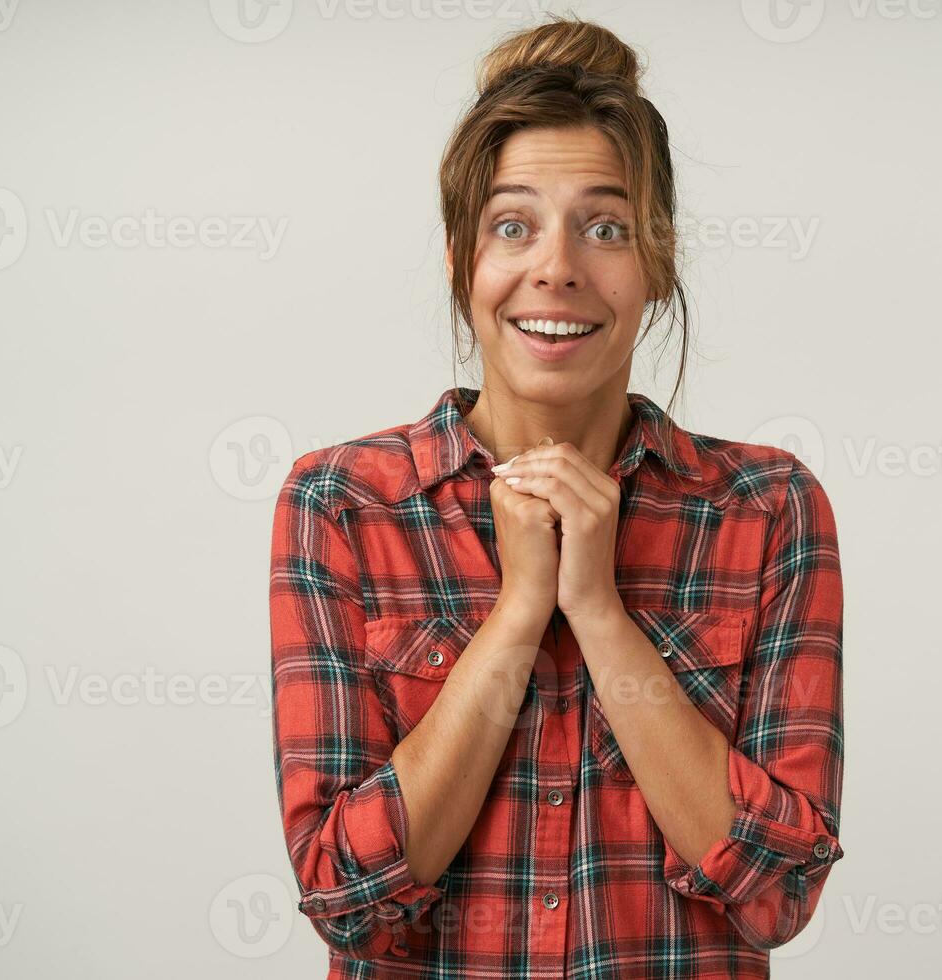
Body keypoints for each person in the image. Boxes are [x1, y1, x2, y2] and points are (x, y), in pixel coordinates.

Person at [269, 14, 844, 977]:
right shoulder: (343, 505)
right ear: (463, 262)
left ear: (657, 264)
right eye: (512, 224)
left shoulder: (768, 509)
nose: (558, 266)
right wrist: (519, 612)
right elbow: (344, 896)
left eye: (606, 226)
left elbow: (779, 891)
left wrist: (598, 609)